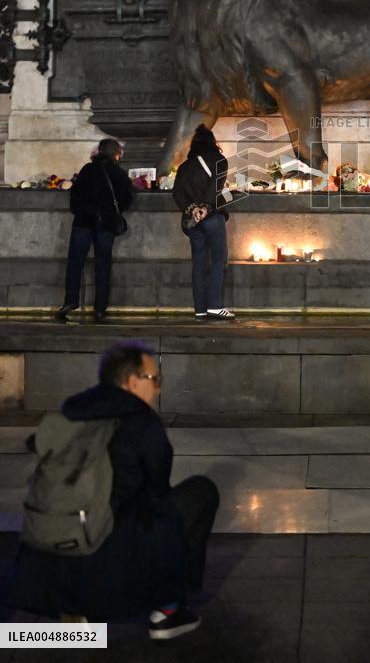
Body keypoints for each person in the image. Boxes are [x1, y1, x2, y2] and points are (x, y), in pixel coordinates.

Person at [9, 341, 220, 640]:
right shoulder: (141, 423)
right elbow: (158, 491)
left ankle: (79, 612)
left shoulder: (72, 411)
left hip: (45, 562)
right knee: (199, 494)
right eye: (154, 379)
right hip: (109, 560)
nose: (158, 388)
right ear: (133, 382)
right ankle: (169, 610)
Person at [56, 138, 134, 324]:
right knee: (103, 266)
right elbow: (128, 198)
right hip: (106, 225)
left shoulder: (87, 170)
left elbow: (74, 197)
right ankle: (99, 309)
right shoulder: (118, 174)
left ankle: (70, 301)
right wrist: (111, 213)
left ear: (98, 152)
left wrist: (84, 211)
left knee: (75, 263)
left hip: (83, 222)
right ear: (116, 154)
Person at [173, 125, 235, 321]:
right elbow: (215, 188)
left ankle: (200, 308)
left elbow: (177, 194)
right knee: (218, 260)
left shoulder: (184, 166)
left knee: (199, 263)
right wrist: (205, 208)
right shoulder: (218, 160)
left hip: (191, 221)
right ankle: (215, 306)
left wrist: (192, 209)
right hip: (211, 219)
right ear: (213, 143)